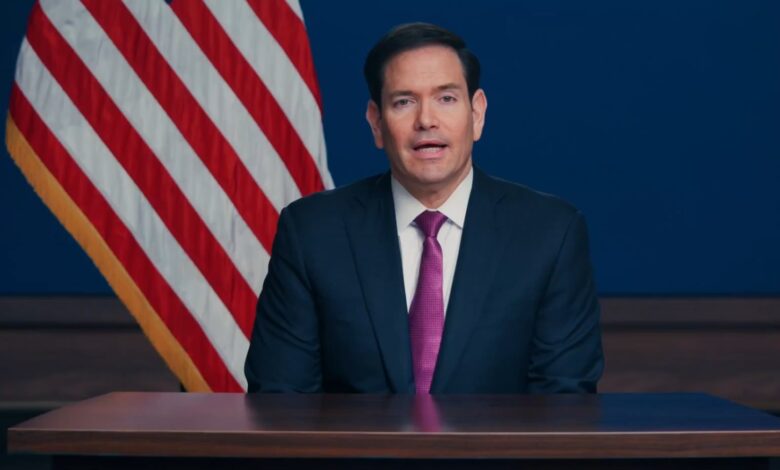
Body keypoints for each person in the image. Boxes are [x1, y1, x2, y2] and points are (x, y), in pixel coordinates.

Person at [245, 23, 603, 394]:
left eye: (446, 98)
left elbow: (564, 403)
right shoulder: (312, 233)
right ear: (376, 122)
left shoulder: (550, 234)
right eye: (404, 102)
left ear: (477, 113)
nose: (426, 120)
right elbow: (280, 400)